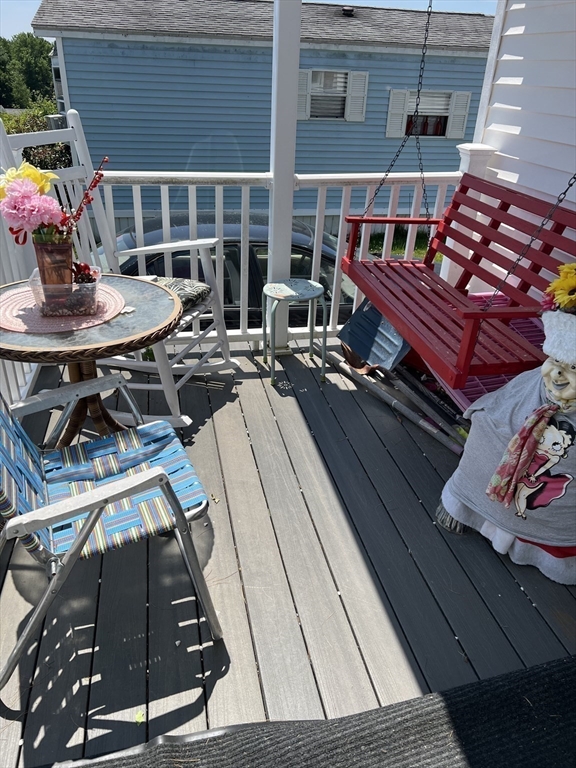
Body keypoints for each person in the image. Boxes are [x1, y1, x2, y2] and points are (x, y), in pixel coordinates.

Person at [436, 264, 576, 584]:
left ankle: (538, 546)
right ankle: (467, 507)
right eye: (554, 362)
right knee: (489, 427)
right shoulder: (536, 383)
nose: (557, 374)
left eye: (572, 369)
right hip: (532, 402)